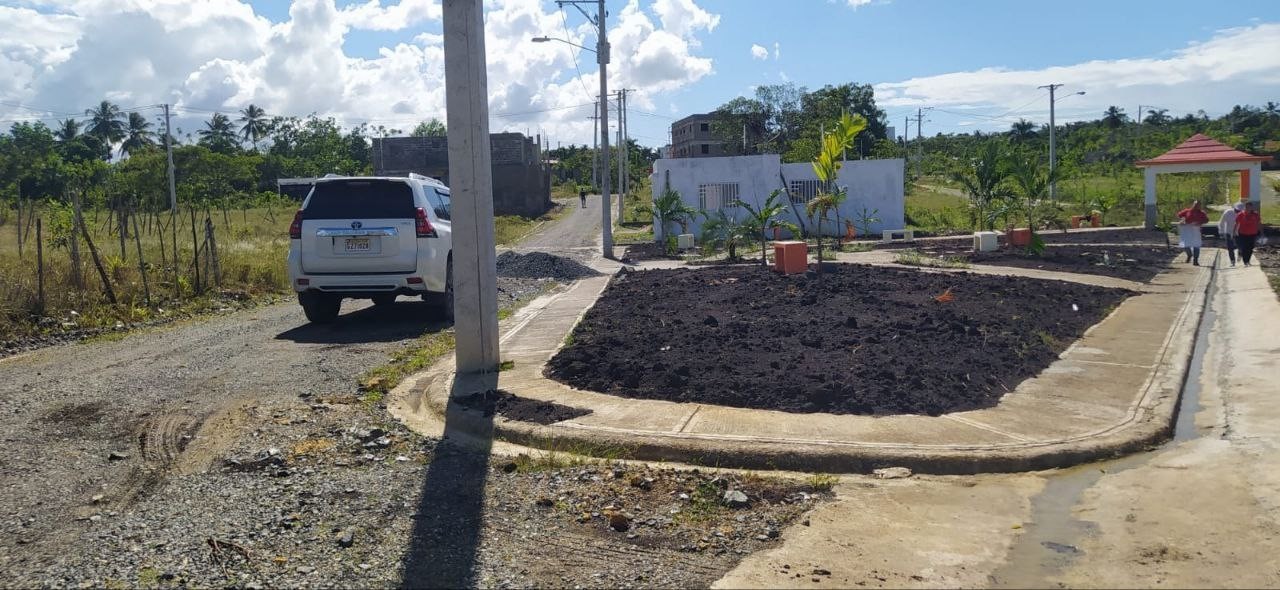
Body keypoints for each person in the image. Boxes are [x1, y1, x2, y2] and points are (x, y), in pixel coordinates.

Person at [1176, 200, 1209, 266]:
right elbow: (1179, 215)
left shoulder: (1202, 213)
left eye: (1198, 205)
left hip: (1196, 231)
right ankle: (1189, 254)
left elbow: (1206, 220)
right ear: (1193, 204)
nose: (1197, 206)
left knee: (1196, 245)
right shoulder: (1187, 211)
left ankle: (1195, 260)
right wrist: (1182, 220)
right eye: (1195, 204)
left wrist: (1200, 222)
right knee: (1186, 244)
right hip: (1187, 230)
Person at [1236, 201, 1262, 267]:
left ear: (1251, 207)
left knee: (1250, 248)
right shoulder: (1241, 214)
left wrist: (1261, 231)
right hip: (1243, 233)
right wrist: (1234, 232)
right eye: (1247, 207)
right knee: (1244, 248)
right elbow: (1236, 224)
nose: (1248, 208)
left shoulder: (1255, 214)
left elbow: (1258, 223)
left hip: (1252, 233)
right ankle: (1245, 261)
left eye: (1249, 207)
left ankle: (1248, 260)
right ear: (1245, 207)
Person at [1217, 202, 1242, 267]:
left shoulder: (1243, 214)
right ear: (1234, 208)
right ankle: (1232, 261)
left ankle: (1240, 254)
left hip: (1239, 232)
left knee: (1240, 246)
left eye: (1239, 211)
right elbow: (1221, 222)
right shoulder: (1228, 213)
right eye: (1237, 210)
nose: (1238, 211)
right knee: (1230, 248)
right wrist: (1221, 232)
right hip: (1228, 232)